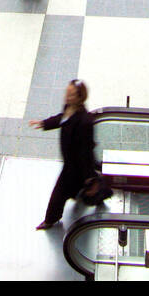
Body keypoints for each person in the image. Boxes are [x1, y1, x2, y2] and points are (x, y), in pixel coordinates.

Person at [29, 79, 98, 229]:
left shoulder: (85, 121)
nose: (67, 97)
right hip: (71, 163)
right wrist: (44, 123)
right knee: (82, 190)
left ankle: (50, 220)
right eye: (67, 93)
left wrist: (89, 177)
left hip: (74, 167)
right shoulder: (69, 107)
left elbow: (86, 153)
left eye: (71, 95)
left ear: (80, 98)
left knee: (58, 195)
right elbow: (62, 118)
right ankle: (96, 191)